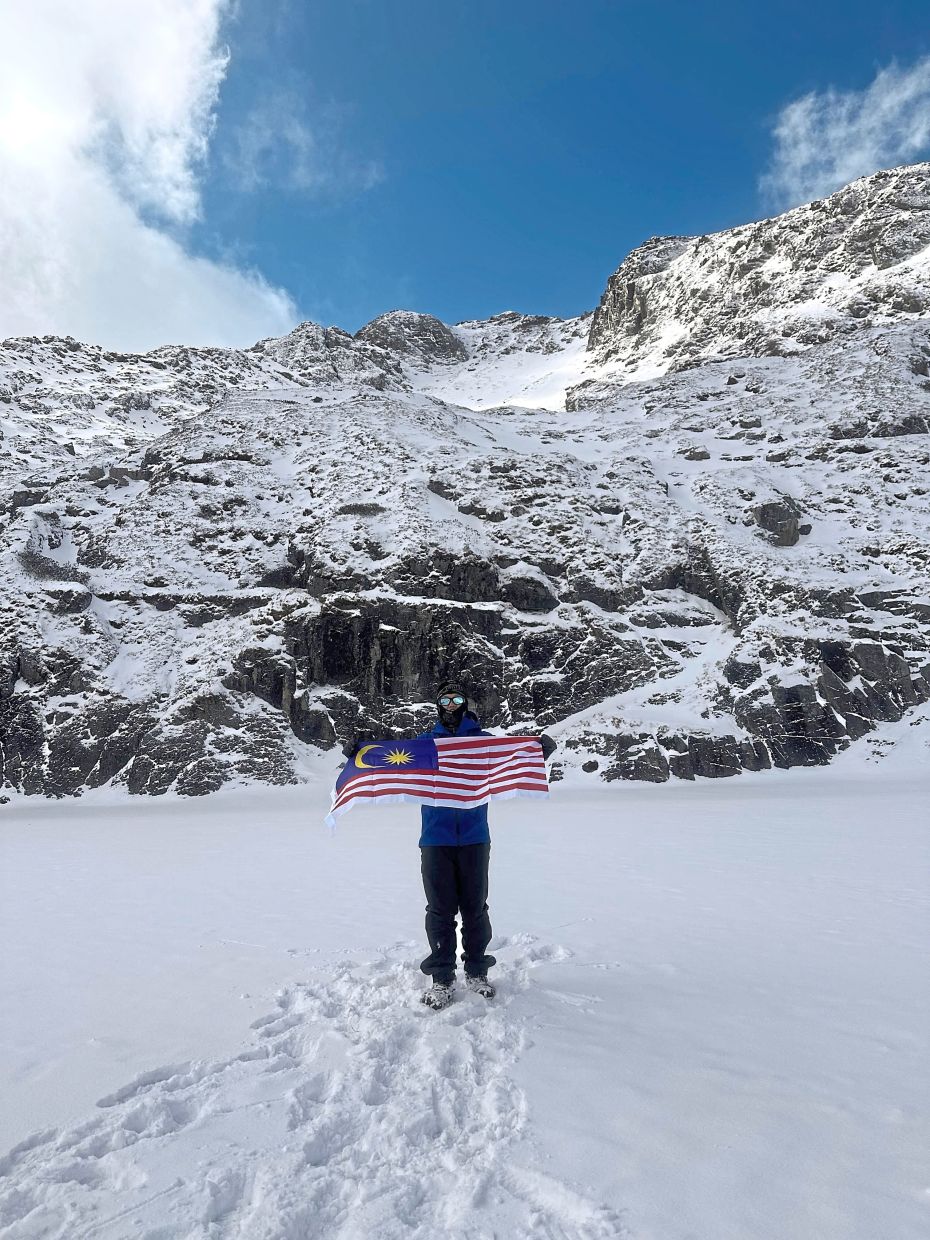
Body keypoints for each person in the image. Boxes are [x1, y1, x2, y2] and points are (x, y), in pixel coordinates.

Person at [344, 680, 556, 1011]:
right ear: (438, 704)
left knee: (475, 908)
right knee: (440, 910)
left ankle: (476, 971)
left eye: (457, 697)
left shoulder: (483, 744)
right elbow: (393, 763)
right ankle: (442, 977)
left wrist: (537, 750)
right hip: (435, 839)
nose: (452, 703)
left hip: (474, 838)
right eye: (446, 698)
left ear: (465, 703)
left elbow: (510, 759)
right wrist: (361, 755)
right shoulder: (426, 745)